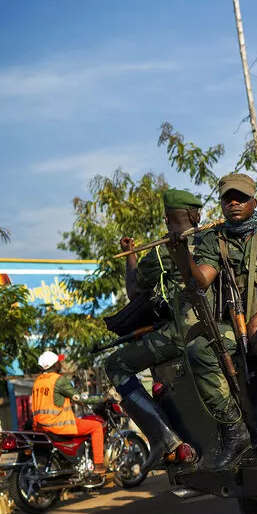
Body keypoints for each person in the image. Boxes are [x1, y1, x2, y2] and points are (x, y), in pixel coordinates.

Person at [175, 173, 257, 469]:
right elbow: (201, 280)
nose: (234, 204)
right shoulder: (213, 238)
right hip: (235, 325)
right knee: (200, 348)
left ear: (253, 202)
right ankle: (236, 430)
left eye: (241, 198)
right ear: (220, 204)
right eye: (228, 199)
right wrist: (182, 255)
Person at [105, 189, 212, 471]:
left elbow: (134, 291)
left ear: (166, 218)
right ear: (195, 214)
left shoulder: (162, 252)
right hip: (218, 325)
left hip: (183, 331)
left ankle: (164, 439)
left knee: (115, 364)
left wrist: (130, 256)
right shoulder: (215, 238)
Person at [32, 351, 107, 474]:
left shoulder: (38, 382)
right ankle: (98, 464)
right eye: (58, 361)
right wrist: (101, 398)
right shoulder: (58, 380)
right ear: (54, 365)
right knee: (96, 426)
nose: (61, 363)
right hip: (59, 425)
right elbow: (79, 398)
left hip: (41, 426)